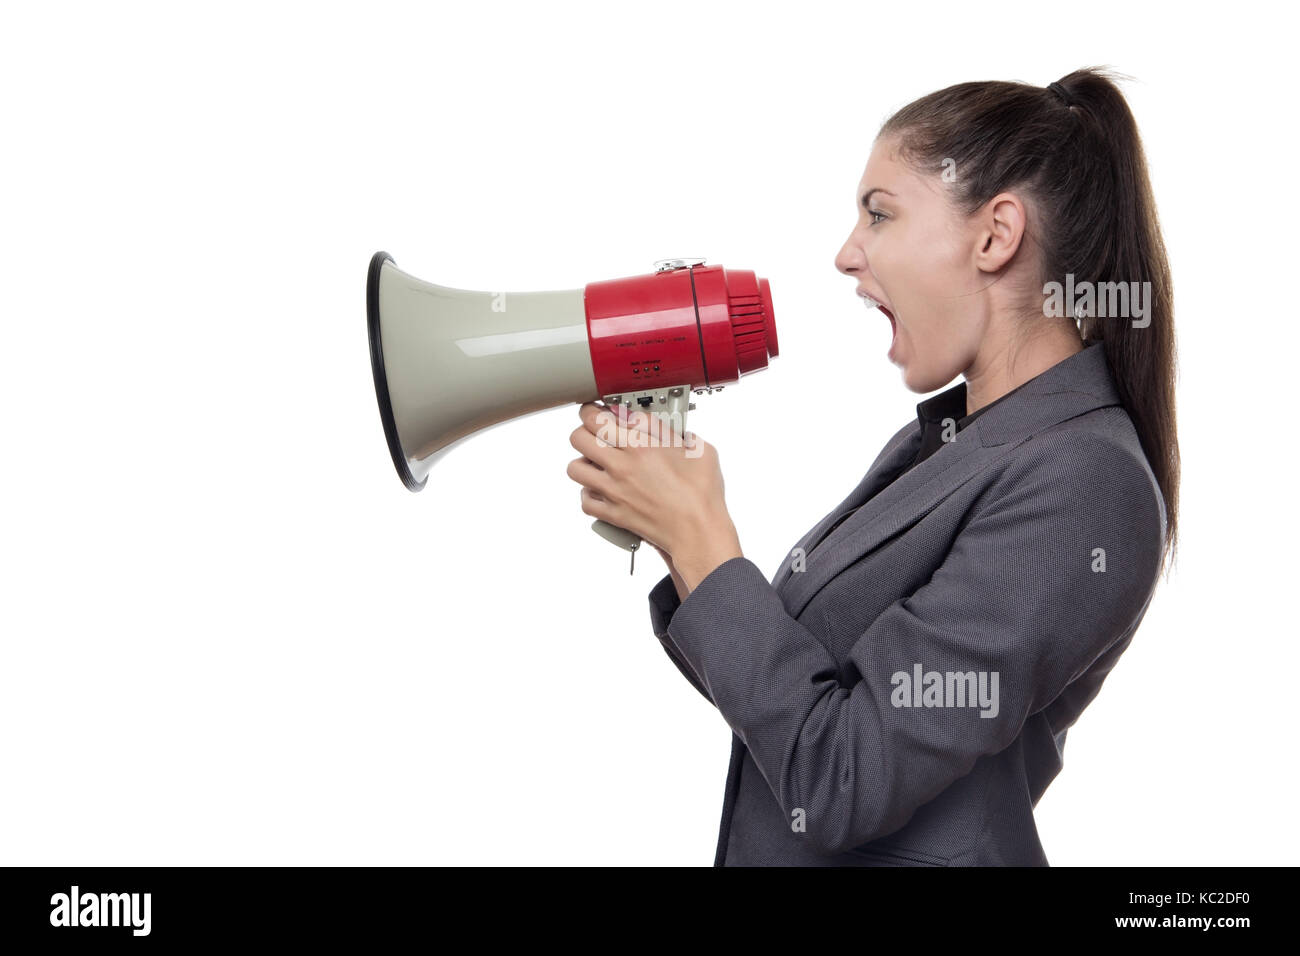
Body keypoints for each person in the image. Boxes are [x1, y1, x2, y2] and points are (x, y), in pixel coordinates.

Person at [565, 67, 1177, 866]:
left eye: (879, 214)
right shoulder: (952, 444)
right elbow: (798, 706)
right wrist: (681, 537)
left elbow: (840, 776)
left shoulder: (1087, 483)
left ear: (996, 236)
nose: (846, 254)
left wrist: (701, 540)